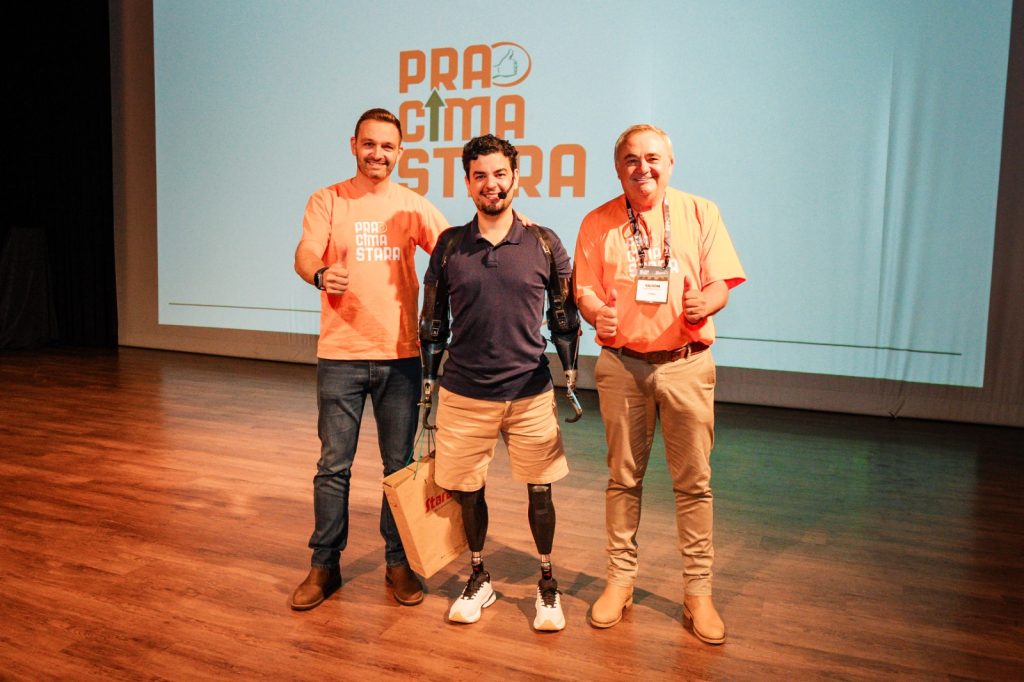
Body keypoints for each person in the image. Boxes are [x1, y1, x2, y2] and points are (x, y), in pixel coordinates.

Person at [573, 124, 746, 644]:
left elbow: (720, 284)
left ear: (670, 163)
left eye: (652, 158)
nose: (642, 168)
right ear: (617, 168)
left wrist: (706, 302)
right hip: (622, 366)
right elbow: (585, 291)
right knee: (622, 480)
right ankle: (620, 581)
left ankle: (698, 593)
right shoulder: (597, 222)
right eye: (631, 159)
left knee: (694, 484)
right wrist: (597, 313)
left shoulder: (701, 212)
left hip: (686, 364)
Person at [418, 134, 581, 631]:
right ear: (468, 184)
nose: (491, 184)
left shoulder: (544, 242)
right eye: (480, 176)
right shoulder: (450, 245)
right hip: (464, 394)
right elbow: (433, 322)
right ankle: (478, 576)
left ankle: (547, 583)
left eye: (500, 174)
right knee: (468, 492)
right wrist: (428, 382)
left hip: (530, 393)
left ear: (516, 178)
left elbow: (564, 316)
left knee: (541, 492)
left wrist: (570, 373)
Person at [289, 108, 448, 611]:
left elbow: (453, 250)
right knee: (332, 466)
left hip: (401, 357)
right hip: (341, 356)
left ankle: (397, 563)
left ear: (400, 152)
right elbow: (305, 252)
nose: (378, 154)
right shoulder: (328, 199)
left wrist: (513, 224)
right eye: (369, 144)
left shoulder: (412, 206)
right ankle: (324, 565)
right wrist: (319, 274)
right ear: (353, 145)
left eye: (387, 146)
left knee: (398, 468)